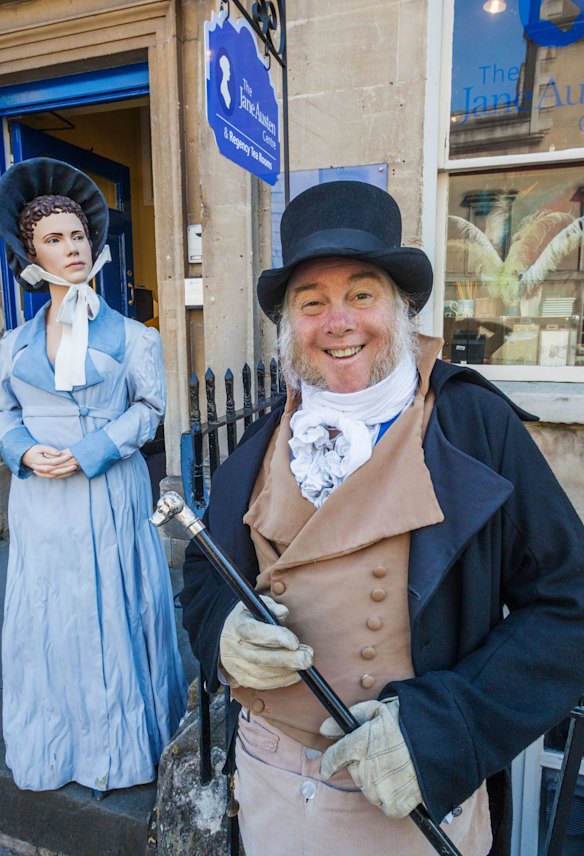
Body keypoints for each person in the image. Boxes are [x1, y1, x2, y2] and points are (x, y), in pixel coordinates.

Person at [181, 180, 584, 855]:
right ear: (289, 329)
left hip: (406, 806)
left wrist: (442, 730)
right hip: (268, 791)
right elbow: (204, 570)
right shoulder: (261, 440)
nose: (337, 322)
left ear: (401, 308)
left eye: (361, 296)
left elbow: (570, 605)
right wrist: (223, 631)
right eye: (312, 304)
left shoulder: (472, 427)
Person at [0, 158, 187, 797]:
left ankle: (120, 752)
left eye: (77, 235)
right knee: (52, 618)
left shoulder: (134, 336)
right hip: (42, 505)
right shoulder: (10, 343)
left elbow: (151, 410)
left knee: (113, 607)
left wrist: (94, 449)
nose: (71, 247)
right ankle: (53, 749)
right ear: (31, 253)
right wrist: (24, 452)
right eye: (54, 238)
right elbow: (4, 414)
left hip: (108, 489)